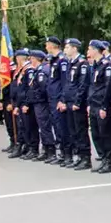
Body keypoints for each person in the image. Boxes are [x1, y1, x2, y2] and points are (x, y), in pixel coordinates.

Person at [87, 40, 111, 173]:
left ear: (95, 50)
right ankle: (103, 158)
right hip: (93, 104)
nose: (88, 52)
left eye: (89, 49)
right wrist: (89, 102)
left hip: (101, 105)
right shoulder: (95, 65)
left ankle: (109, 161)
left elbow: (108, 87)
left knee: (106, 133)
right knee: (96, 133)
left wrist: (104, 106)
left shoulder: (107, 65)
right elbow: (92, 86)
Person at [63, 39, 92, 170]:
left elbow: (83, 85)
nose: (65, 50)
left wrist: (77, 102)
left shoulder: (82, 63)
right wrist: (63, 100)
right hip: (69, 101)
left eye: (68, 47)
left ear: (75, 48)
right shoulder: (70, 63)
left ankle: (86, 158)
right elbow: (68, 84)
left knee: (81, 130)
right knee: (73, 131)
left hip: (77, 103)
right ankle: (79, 156)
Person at [24, 50, 56, 162]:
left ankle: (50, 151)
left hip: (42, 102)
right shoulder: (38, 70)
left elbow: (43, 89)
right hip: (38, 102)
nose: (30, 61)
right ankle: (46, 149)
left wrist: (37, 97)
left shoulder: (42, 71)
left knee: (45, 127)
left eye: (32, 58)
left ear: (37, 59)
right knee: (42, 127)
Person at [45, 36, 68, 165]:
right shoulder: (53, 60)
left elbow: (65, 82)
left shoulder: (61, 60)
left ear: (53, 45)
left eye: (47, 44)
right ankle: (62, 153)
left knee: (61, 127)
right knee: (56, 126)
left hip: (58, 98)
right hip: (52, 98)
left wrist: (62, 99)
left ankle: (66, 154)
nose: (46, 47)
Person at [9, 49, 32, 159]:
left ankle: (29, 147)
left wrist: (22, 103)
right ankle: (22, 146)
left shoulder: (27, 69)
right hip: (18, 101)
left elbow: (27, 88)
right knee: (21, 126)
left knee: (26, 127)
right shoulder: (20, 70)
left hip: (24, 102)